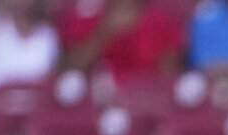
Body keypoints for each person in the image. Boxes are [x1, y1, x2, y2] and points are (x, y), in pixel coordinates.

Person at [59, 0, 187, 80]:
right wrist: (106, 32)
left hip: (144, 102)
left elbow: (169, 75)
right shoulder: (86, 21)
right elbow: (72, 66)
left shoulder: (161, 25)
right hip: (96, 103)